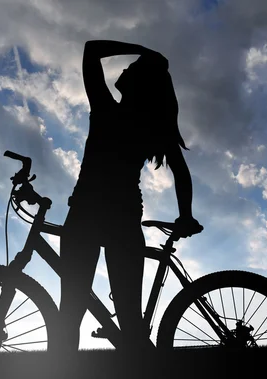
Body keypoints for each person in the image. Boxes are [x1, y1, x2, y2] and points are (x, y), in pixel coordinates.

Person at [58, 40, 203, 354]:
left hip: (86, 213)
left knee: (70, 310)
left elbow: (91, 49)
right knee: (128, 317)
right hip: (122, 216)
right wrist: (185, 214)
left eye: (132, 68)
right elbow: (181, 171)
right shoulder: (151, 128)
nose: (124, 69)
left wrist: (144, 50)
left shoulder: (106, 109)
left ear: (139, 83)